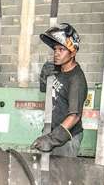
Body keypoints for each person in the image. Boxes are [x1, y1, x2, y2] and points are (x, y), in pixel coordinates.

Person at [32, 23, 88, 157]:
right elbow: (45, 91)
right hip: (52, 131)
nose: (56, 54)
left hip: (67, 138)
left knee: (61, 176)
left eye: (61, 50)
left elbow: (74, 116)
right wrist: (44, 76)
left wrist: (52, 140)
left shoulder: (76, 79)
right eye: (55, 49)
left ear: (72, 52)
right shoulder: (59, 70)